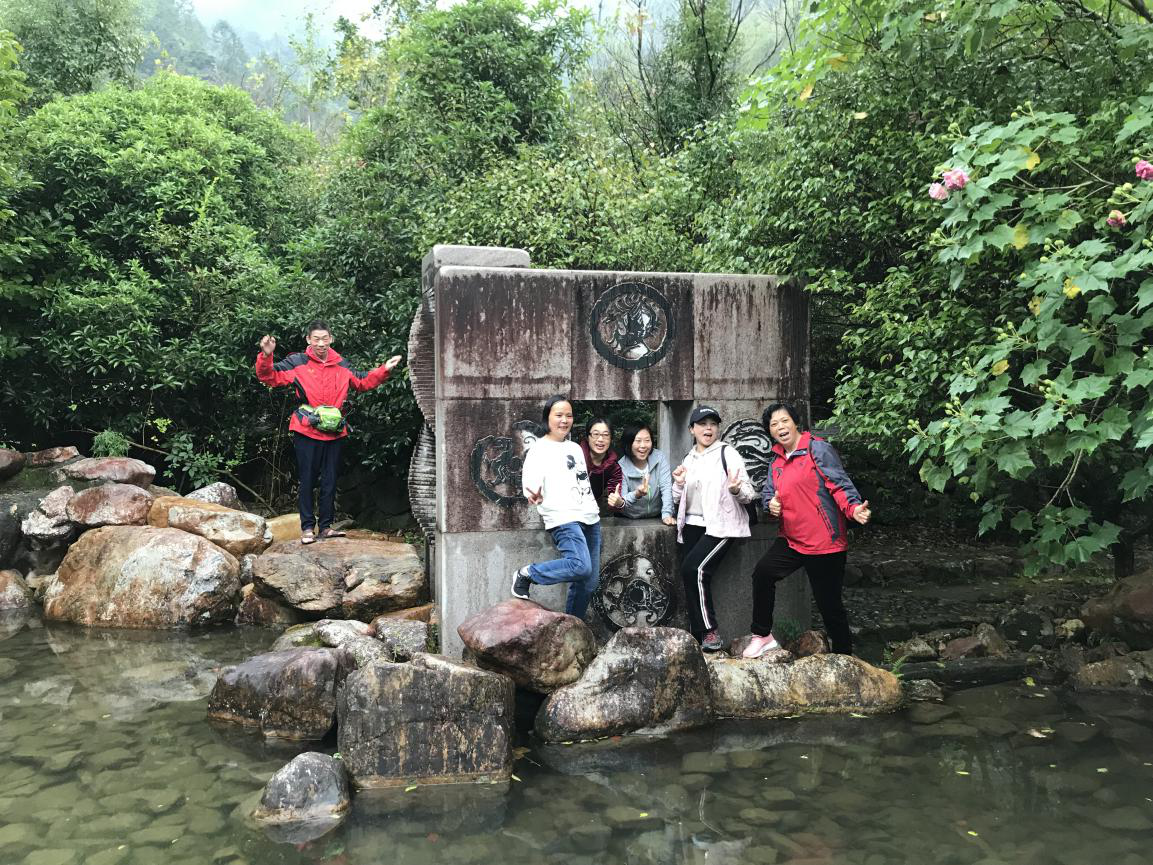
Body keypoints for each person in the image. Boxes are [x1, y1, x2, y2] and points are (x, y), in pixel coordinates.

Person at [742, 402, 872, 658]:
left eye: (784, 421)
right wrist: (771, 505)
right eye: (774, 424)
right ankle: (762, 635)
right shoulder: (776, 461)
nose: (780, 427)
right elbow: (769, 494)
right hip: (792, 539)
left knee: (829, 605)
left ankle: (844, 658)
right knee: (763, 574)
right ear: (770, 431)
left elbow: (839, 484)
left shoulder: (817, 449)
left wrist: (853, 508)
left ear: (795, 422)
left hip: (825, 541)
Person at [255, 321, 402, 545]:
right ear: (308, 340)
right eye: (316, 339)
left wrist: (385, 369)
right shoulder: (297, 362)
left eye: (325, 338)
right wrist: (266, 356)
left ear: (331, 339)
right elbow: (269, 376)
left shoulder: (341, 364)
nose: (321, 343)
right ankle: (307, 528)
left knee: (330, 481)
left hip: (334, 432)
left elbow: (362, 381)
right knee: (307, 479)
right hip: (306, 429)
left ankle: (325, 527)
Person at [671, 405, 756, 651]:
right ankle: (697, 635)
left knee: (693, 569)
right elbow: (678, 499)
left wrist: (736, 489)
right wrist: (679, 484)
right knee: (693, 576)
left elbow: (748, 493)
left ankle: (709, 631)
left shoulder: (727, 453)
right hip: (692, 524)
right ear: (692, 429)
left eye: (713, 424)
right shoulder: (689, 458)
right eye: (702, 424)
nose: (708, 428)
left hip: (721, 525)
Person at [512, 396, 602, 618]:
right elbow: (530, 485)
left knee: (588, 583)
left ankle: (573, 626)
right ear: (548, 418)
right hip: (562, 518)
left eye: (569, 416)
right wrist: (534, 495)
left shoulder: (575, 448)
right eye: (559, 415)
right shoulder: (539, 449)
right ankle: (527, 574)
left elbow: (581, 480)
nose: (564, 420)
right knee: (580, 566)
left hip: (590, 517)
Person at [611, 424, 676, 526]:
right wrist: (636, 494)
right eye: (638, 441)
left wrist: (667, 514)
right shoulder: (620, 467)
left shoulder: (659, 458)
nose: (643, 445)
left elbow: (666, 488)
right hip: (629, 519)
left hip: (657, 516)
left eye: (647, 440)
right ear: (629, 443)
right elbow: (622, 501)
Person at [581, 417, 626, 515]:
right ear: (588, 437)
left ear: (611, 439)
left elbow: (614, 501)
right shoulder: (575, 457)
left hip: (593, 515)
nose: (600, 439)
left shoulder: (613, 468)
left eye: (605, 435)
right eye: (596, 434)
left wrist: (619, 503)